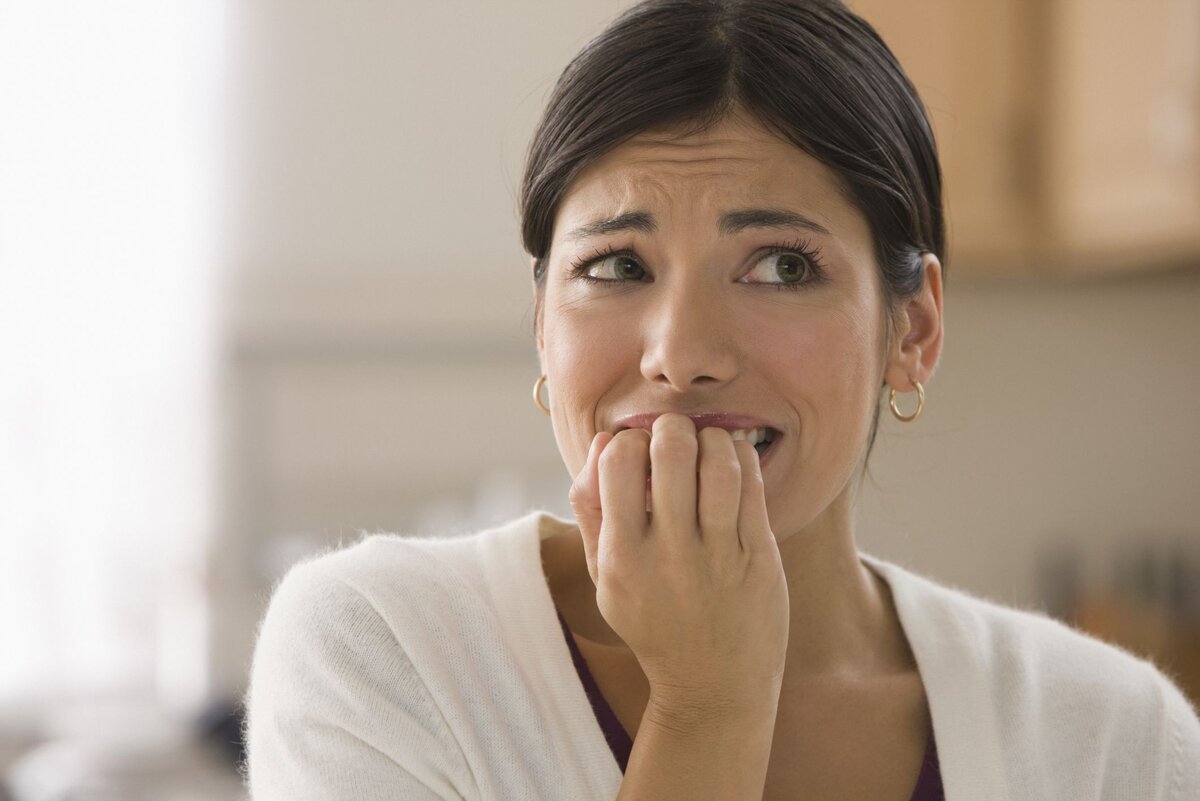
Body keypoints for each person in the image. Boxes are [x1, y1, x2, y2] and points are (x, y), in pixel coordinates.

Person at [242, 1, 1200, 799]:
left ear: (912, 331)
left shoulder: (1116, 742)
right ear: (542, 325)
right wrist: (710, 705)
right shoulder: (381, 652)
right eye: (618, 265)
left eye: (782, 266)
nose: (683, 355)